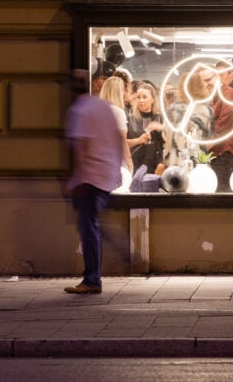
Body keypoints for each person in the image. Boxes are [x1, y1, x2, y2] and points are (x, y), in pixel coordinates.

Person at [64, 69, 125, 295]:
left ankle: (92, 279)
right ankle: (122, 250)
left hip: (89, 176)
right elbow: (118, 139)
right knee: (93, 223)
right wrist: (117, 168)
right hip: (105, 174)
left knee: (88, 227)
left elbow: (80, 147)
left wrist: (78, 176)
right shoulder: (103, 107)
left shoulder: (79, 110)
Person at [200, 61, 233, 192]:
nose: (206, 84)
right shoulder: (211, 97)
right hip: (211, 155)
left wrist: (200, 147)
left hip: (224, 155)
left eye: (208, 79)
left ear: (217, 76)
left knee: (222, 197)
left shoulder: (230, 94)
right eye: (202, 81)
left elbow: (222, 125)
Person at [128, 82, 165, 173]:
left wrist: (162, 129)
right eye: (138, 97)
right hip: (135, 165)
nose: (141, 100)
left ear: (152, 99)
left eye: (144, 97)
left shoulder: (161, 119)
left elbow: (169, 143)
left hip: (156, 167)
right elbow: (121, 143)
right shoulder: (130, 120)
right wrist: (138, 140)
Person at [98, 76, 133, 170]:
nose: (124, 94)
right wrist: (130, 162)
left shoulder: (97, 111)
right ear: (118, 92)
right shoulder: (118, 112)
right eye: (122, 90)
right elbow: (123, 141)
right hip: (116, 161)